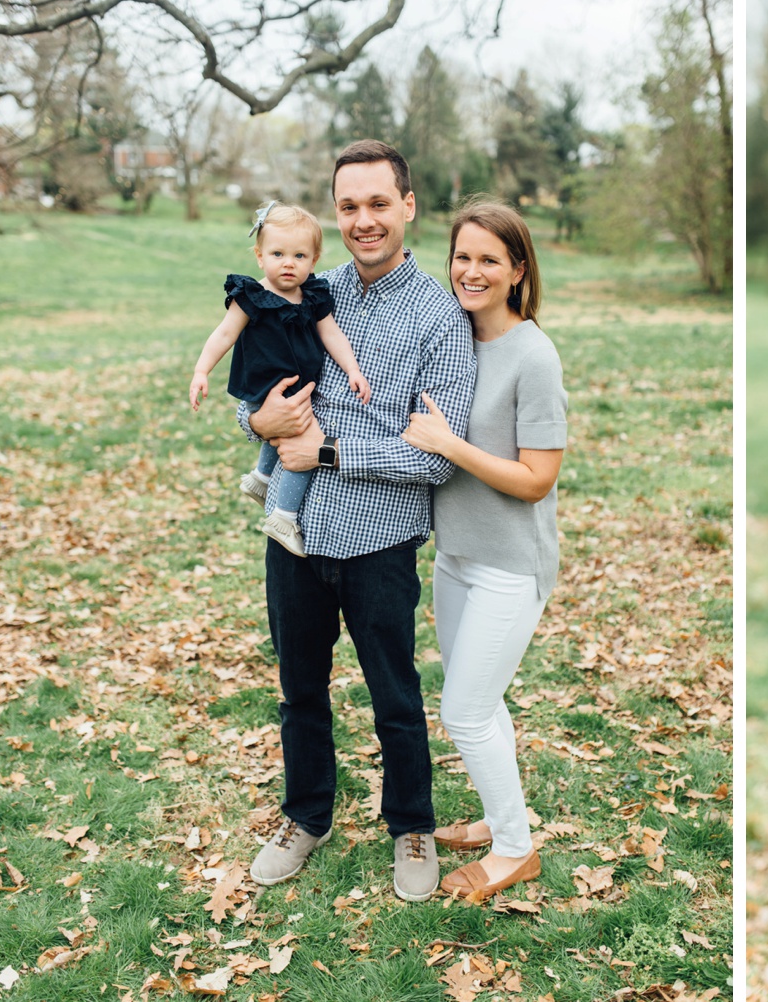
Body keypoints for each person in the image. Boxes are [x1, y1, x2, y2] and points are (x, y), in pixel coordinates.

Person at [240, 140, 476, 902]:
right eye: (349, 207)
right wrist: (261, 425)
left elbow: (438, 456)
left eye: (379, 204)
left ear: (409, 205)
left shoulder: (442, 316)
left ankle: (411, 824)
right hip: (294, 539)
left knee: (394, 695)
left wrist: (330, 452)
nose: (363, 220)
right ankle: (305, 816)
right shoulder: (307, 290)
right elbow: (258, 395)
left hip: (379, 540)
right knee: (298, 689)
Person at [399, 200, 567, 899]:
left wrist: (452, 447)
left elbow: (537, 480)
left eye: (488, 260)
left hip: (510, 565)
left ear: (518, 270)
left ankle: (515, 850)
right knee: (480, 702)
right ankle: (502, 819)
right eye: (462, 257)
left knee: (464, 712)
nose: (471, 271)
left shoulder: (534, 354)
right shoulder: (452, 340)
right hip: (455, 555)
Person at [189, 200, 371, 557]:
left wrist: (352, 369)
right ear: (260, 256)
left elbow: (332, 335)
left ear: (313, 261)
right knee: (303, 442)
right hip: (264, 383)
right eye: (278, 254)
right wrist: (201, 371)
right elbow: (224, 335)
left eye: (300, 256)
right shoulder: (251, 296)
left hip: (297, 384)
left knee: (288, 431)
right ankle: (284, 517)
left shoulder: (313, 295)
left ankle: (260, 479)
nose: (288, 263)